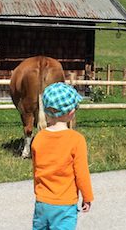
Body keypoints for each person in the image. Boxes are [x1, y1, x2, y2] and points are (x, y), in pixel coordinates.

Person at [31, 82, 93, 230]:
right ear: (71, 112)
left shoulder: (39, 138)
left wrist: (39, 192)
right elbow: (81, 173)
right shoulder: (76, 140)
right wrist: (87, 196)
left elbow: (36, 171)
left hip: (42, 202)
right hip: (64, 204)